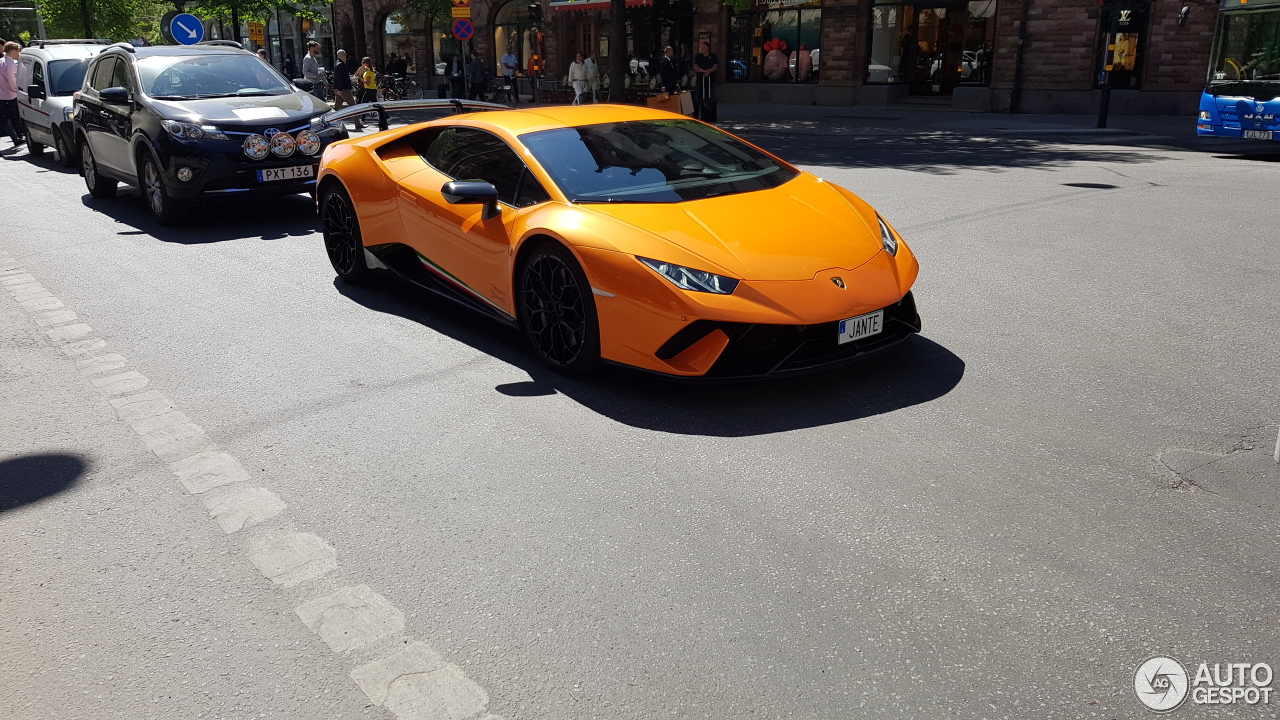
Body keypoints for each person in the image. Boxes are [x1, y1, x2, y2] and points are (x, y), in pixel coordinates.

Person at [330, 50, 363, 130]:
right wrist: (340, 89)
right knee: (353, 106)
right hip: (344, 89)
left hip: (339, 89)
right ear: (343, 56)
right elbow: (339, 78)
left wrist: (338, 89)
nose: (346, 57)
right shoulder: (341, 65)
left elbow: (337, 78)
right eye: (345, 55)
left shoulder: (337, 64)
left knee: (337, 107)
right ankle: (357, 124)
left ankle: (330, 121)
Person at [0, 41, 23, 146]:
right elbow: (12, 80)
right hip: (10, 96)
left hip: (2, 95)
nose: (19, 53)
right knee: (19, 116)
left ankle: (16, 138)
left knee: (5, 119)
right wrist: (17, 90)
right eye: (18, 51)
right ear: (13, 50)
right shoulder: (11, 64)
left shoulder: (1, 61)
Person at [693, 39, 718, 119]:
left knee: (710, 97)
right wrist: (702, 71)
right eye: (701, 47)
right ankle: (696, 115)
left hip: (710, 80)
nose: (702, 49)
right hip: (700, 79)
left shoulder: (713, 56)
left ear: (707, 48)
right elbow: (695, 66)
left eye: (704, 47)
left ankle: (709, 115)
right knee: (697, 97)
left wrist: (709, 71)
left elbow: (715, 66)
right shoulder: (698, 56)